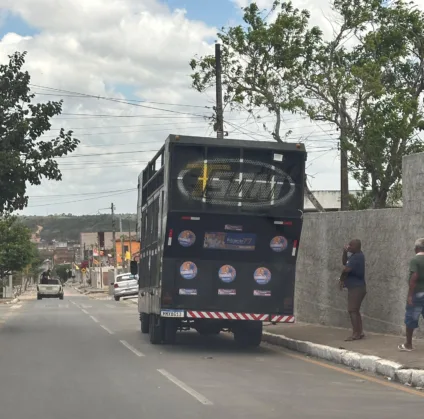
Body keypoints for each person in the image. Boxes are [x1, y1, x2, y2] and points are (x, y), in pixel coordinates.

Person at [398, 238, 424, 351]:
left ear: (416, 248)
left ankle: (408, 344)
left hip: (417, 294)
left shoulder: (415, 260)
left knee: (411, 318)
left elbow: (414, 277)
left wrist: (409, 295)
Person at [339, 239, 366, 341]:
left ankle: (356, 334)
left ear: (357, 247)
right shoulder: (355, 255)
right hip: (357, 287)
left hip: (357, 288)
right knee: (355, 310)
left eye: (351, 245)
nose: (349, 246)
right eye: (348, 245)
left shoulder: (357, 257)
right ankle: (360, 332)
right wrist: (345, 252)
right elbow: (344, 262)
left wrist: (341, 280)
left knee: (352, 310)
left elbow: (346, 269)